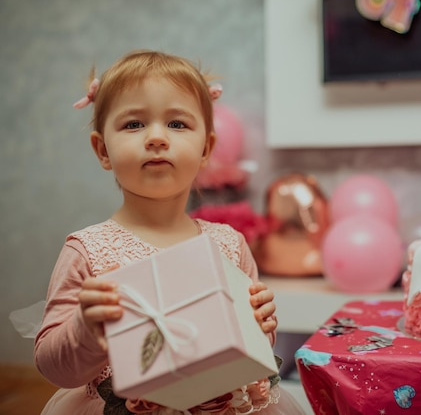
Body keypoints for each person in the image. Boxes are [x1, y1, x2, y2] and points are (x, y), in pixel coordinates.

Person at [34, 50, 307, 415]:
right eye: (134, 124)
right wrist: (85, 332)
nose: (157, 138)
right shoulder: (88, 250)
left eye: (177, 124)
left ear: (206, 148)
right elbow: (54, 367)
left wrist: (262, 324)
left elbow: (250, 346)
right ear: (102, 149)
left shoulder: (229, 244)